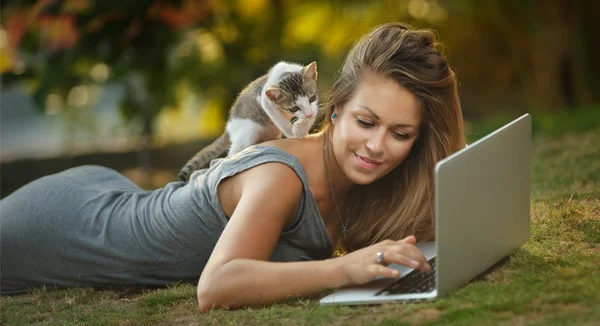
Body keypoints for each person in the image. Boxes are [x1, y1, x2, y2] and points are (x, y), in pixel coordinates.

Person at [0, 22, 466, 311]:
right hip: (62, 229)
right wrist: (346, 271)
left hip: (115, 194)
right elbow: (216, 287)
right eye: (366, 122)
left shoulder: (359, 179)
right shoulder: (280, 176)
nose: (377, 146)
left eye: (400, 134)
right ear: (336, 109)